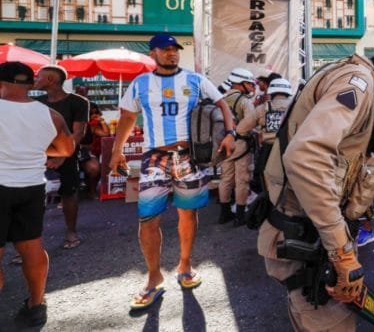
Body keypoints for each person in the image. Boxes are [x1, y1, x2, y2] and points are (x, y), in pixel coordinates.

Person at [257, 41, 374, 332]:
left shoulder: (352, 77)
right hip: (308, 238)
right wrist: (342, 253)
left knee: (308, 317)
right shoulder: (360, 83)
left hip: (304, 231)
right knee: (330, 322)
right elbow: (307, 157)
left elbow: (341, 167)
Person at [109, 33, 236, 310]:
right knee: (147, 219)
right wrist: (117, 150)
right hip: (154, 157)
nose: (172, 53)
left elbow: (222, 104)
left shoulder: (195, 80)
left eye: (175, 49)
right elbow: (128, 116)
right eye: (165, 49)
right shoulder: (141, 83)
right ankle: (153, 277)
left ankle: (185, 265)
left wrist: (230, 133)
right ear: (153, 53)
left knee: (188, 214)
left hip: (190, 157)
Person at [0, 62, 75, 328]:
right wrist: (34, 149)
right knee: (32, 247)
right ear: (30, 85)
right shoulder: (51, 115)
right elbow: (66, 149)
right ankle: (36, 304)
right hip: (31, 186)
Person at [34, 65, 89, 250]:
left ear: (51, 80)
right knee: (33, 196)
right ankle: (30, 241)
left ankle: (71, 231)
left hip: (68, 154)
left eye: (39, 77)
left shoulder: (78, 102)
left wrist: (62, 156)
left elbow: (78, 132)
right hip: (38, 155)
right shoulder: (35, 102)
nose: (35, 80)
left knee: (69, 192)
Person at [236, 78, 293, 194]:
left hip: (268, 151)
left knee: (265, 185)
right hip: (292, 151)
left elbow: (241, 129)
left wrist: (257, 133)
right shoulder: (296, 108)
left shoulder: (262, 109)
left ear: (271, 92)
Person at [219, 67, 257, 226]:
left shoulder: (221, 99)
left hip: (224, 143)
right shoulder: (244, 101)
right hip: (241, 144)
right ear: (241, 83)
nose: (252, 87)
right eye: (249, 83)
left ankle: (224, 213)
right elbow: (251, 122)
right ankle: (240, 216)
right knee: (242, 179)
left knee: (226, 178)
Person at [80, 104, 110, 198]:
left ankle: (91, 190)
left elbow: (105, 133)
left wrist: (102, 121)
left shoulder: (92, 126)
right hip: (71, 151)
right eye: (91, 113)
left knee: (97, 168)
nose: (94, 115)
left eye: (96, 112)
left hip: (85, 152)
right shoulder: (77, 122)